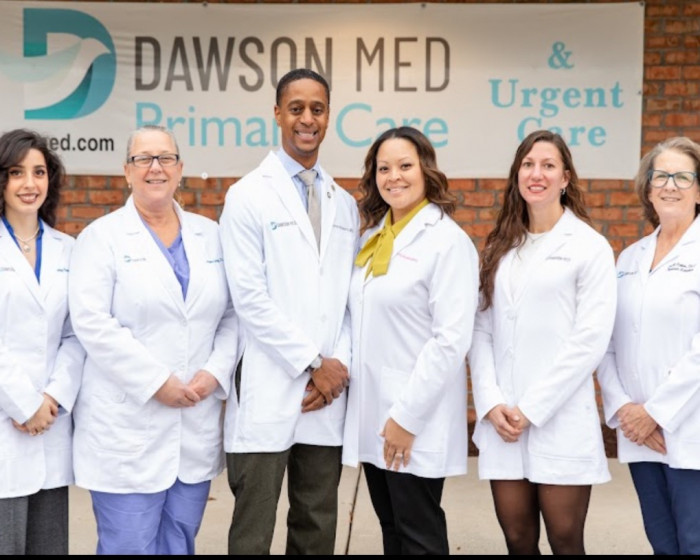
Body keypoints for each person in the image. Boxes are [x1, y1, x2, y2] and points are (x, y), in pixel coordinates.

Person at [67, 125, 239, 555]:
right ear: (127, 171)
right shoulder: (100, 238)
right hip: (126, 427)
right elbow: (92, 322)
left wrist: (214, 373)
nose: (155, 168)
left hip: (194, 421)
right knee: (128, 546)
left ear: (180, 168)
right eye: (143, 159)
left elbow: (233, 315)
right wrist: (156, 382)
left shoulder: (211, 235)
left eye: (165, 158)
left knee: (179, 543)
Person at [219, 68, 360, 555]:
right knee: (253, 532)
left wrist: (336, 368)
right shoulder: (247, 195)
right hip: (269, 384)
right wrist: (314, 363)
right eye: (296, 108)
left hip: (325, 395)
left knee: (316, 525)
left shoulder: (344, 204)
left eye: (317, 109)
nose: (307, 119)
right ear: (278, 114)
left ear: (329, 117)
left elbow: (349, 300)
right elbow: (249, 298)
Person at [468, 129, 617, 554]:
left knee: (565, 540)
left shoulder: (589, 247)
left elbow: (590, 339)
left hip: (559, 417)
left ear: (565, 178)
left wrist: (531, 409)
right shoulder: (499, 247)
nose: (537, 174)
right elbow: (480, 329)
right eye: (528, 165)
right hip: (503, 419)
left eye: (548, 165)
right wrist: (490, 401)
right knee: (517, 539)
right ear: (517, 174)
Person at [341, 126, 479, 555]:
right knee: (393, 531)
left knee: (419, 535)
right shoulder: (372, 240)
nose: (394, 177)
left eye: (405, 166)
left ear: (425, 171)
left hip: (413, 418)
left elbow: (450, 340)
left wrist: (406, 418)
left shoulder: (447, 242)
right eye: (384, 168)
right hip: (373, 415)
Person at [597, 136, 700, 554]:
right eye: (661, 176)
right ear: (648, 188)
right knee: (662, 543)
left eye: (683, 177)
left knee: (693, 542)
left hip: (688, 428)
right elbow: (606, 342)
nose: (670, 185)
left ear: (699, 191)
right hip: (640, 435)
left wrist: (655, 413)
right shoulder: (629, 258)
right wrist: (625, 409)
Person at [0, 128, 84, 555]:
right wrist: (23, 403)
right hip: (7, 420)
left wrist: (52, 398)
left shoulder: (69, 249)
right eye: (16, 173)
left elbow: (77, 333)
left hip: (50, 423)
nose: (29, 184)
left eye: (38, 172)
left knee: (49, 545)